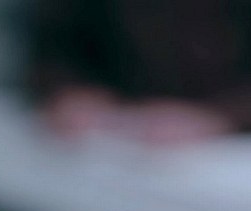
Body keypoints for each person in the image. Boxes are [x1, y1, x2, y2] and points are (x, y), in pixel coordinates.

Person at [29, 0, 251, 145]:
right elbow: (55, 46)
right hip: (111, 142)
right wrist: (67, 90)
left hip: (218, 154)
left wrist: (221, 115)